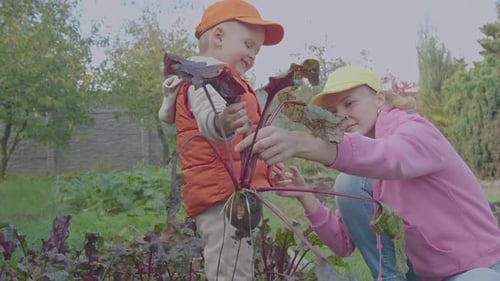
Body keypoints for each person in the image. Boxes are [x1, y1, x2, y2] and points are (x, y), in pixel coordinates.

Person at [236, 65, 500, 281]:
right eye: (333, 113)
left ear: (379, 99)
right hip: (427, 274)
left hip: (478, 266)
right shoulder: (363, 172)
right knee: (347, 181)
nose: (342, 117)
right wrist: (304, 195)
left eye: (349, 103)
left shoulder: (416, 131)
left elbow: (390, 158)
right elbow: (344, 244)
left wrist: (302, 143)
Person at [158, 1, 284, 280]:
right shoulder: (204, 76)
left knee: (235, 266)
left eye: (257, 51)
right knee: (230, 271)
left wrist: (268, 165)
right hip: (219, 198)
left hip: (230, 196)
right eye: (249, 44)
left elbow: (245, 142)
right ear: (218, 37)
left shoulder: (224, 80)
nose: (253, 55)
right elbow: (209, 120)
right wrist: (223, 123)